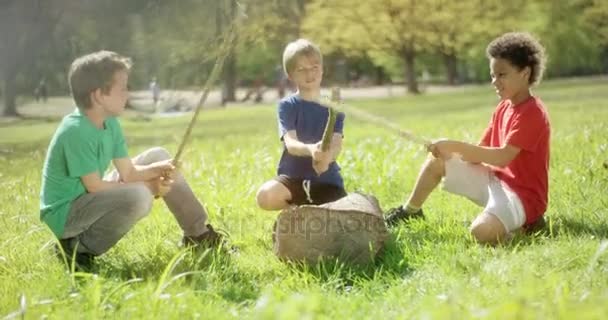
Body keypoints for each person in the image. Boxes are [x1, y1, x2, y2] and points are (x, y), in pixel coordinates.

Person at [40, 51, 223, 269]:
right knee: (139, 195)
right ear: (99, 95)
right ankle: (76, 248)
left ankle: (198, 235)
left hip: (89, 197)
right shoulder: (76, 131)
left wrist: (159, 169)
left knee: (158, 156)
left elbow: (128, 173)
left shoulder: (110, 122)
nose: (128, 94)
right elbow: (95, 186)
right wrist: (150, 186)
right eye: (123, 88)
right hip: (67, 213)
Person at [385, 32, 550, 245]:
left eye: (502, 75)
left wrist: (454, 144)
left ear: (525, 73)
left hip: (522, 197)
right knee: (438, 161)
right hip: (495, 181)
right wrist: (449, 153)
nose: (495, 81)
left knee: (481, 232)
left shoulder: (533, 113)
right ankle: (410, 212)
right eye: (493, 75)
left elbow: (501, 157)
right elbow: (479, 153)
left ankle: (528, 225)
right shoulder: (503, 107)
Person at [256, 39, 347, 210]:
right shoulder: (288, 105)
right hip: (294, 179)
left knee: (340, 219)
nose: (309, 74)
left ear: (322, 69)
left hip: (327, 182)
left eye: (314, 67)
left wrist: (326, 158)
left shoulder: (335, 107)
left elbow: (336, 144)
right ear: (290, 76)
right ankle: (296, 212)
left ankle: (313, 214)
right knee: (265, 196)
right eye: (301, 69)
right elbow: (291, 143)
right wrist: (311, 149)